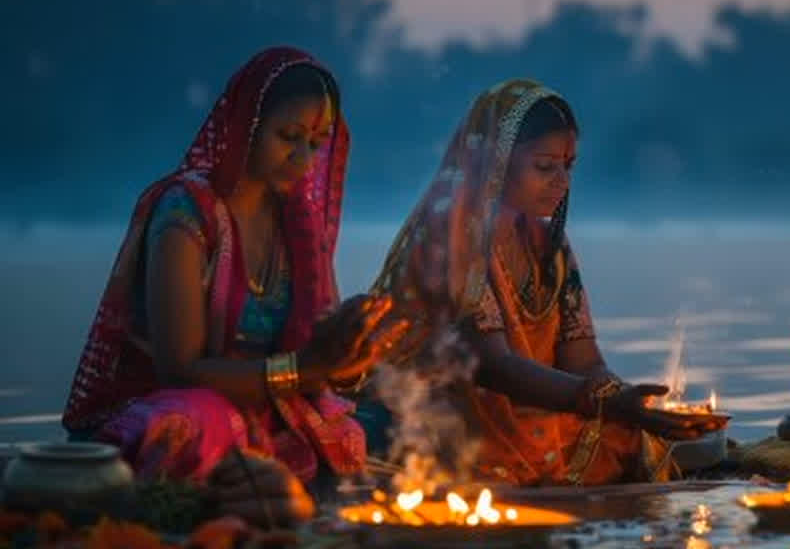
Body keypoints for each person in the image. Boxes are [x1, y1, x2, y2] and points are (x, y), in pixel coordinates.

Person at [62, 47, 406, 487]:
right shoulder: (186, 212)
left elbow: (320, 355)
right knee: (192, 424)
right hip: (182, 406)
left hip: (273, 406)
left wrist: (353, 350)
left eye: (316, 145)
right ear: (246, 127)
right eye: (289, 136)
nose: (303, 160)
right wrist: (304, 371)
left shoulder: (298, 221)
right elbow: (180, 371)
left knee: (380, 421)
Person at [375, 79, 721, 485]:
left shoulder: (549, 246)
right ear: (497, 163)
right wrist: (605, 402)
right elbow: (493, 366)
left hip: (531, 416)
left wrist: (635, 403)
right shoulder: (452, 234)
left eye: (568, 166)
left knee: (627, 435)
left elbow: (585, 362)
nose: (562, 181)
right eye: (545, 166)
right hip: (449, 415)